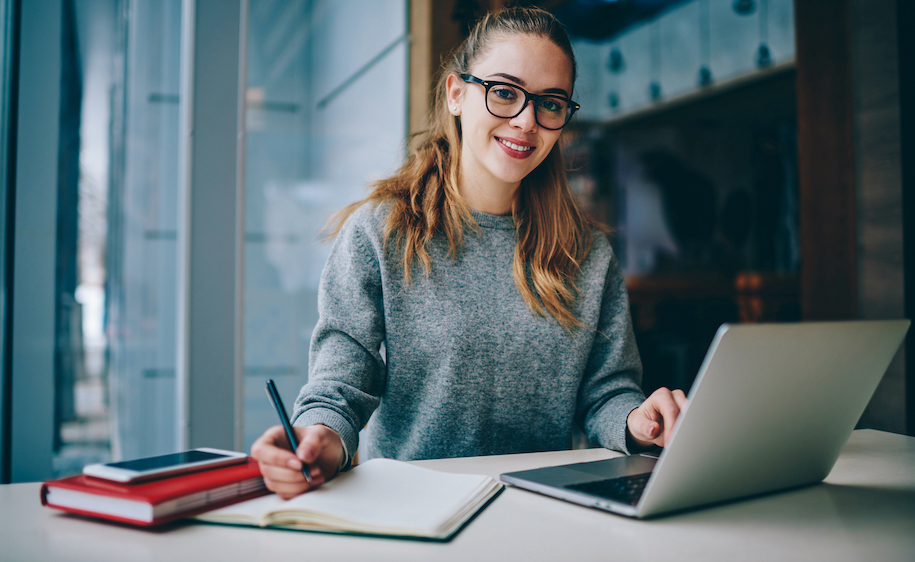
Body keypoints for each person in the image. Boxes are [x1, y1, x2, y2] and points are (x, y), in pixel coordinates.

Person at [252, 6, 687, 500]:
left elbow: (607, 393)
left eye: (551, 103)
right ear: (456, 94)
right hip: (415, 511)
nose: (526, 121)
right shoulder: (381, 233)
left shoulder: (589, 253)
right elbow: (338, 390)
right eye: (504, 92)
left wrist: (639, 421)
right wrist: (318, 440)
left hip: (545, 510)